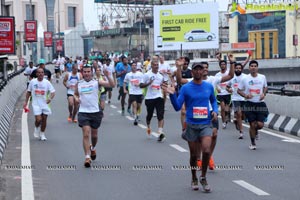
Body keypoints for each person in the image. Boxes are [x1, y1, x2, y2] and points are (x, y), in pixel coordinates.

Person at [165, 63, 218, 192]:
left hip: (206, 123)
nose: (199, 71)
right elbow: (178, 107)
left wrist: (215, 111)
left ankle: (203, 177)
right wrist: (172, 95)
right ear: (192, 72)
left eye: (201, 69)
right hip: (192, 125)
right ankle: (194, 176)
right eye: (196, 69)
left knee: (206, 151)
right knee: (194, 155)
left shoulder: (209, 86)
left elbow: (213, 100)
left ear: (203, 71)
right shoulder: (186, 88)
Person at [74, 64, 114, 168]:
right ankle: (87, 157)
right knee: (86, 134)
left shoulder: (97, 82)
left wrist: (108, 75)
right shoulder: (79, 84)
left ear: (91, 72)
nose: (86, 74)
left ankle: (93, 148)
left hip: (95, 112)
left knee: (94, 136)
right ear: (82, 73)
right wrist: (76, 98)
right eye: (85, 72)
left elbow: (112, 85)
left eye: (88, 72)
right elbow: (75, 94)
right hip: (83, 112)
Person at [238, 60, 268, 150]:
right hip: (249, 104)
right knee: (252, 124)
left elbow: (265, 87)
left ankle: (256, 131)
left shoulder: (262, 77)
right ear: (249, 68)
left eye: (255, 66)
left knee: (260, 125)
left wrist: (264, 94)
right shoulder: (245, 79)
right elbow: (239, 90)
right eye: (252, 66)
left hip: (260, 104)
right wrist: (246, 95)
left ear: (257, 68)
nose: (253, 67)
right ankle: (253, 143)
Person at [23, 68, 55, 141]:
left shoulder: (47, 82)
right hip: (36, 104)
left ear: (44, 74)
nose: (40, 74)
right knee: (38, 119)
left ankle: (42, 134)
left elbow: (53, 92)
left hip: (44, 103)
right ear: (36, 74)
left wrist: (49, 99)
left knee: (44, 119)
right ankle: (37, 127)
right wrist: (25, 102)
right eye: (39, 72)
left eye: (42, 72)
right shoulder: (33, 82)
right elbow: (28, 92)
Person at [140, 60, 166, 142]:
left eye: (157, 65)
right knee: (149, 115)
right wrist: (149, 83)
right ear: (151, 65)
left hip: (159, 97)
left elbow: (163, 84)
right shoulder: (147, 75)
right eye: (154, 65)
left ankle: (160, 133)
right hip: (149, 98)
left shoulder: (160, 76)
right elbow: (141, 85)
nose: (156, 66)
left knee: (160, 115)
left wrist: (165, 87)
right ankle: (148, 126)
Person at [227, 62, 247, 139]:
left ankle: (236, 121)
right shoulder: (232, 77)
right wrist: (229, 90)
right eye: (236, 68)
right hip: (235, 99)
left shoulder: (245, 77)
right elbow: (227, 87)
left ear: (242, 69)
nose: (238, 69)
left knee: (243, 116)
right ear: (234, 69)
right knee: (238, 113)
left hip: (244, 98)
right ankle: (241, 132)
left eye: (239, 68)